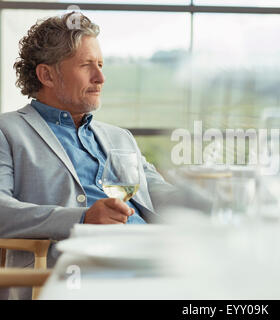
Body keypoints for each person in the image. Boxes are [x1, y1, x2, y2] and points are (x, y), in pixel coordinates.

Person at [0, 12, 209, 300]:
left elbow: (157, 192)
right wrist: (82, 218)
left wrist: (215, 202)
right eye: (87, 66)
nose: (101, 77)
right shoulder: (8, 131)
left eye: (100, 64)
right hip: (77, 274)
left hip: (153, 259)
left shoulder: (119, 137)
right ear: (46, 75)